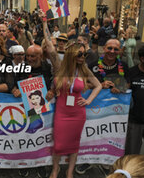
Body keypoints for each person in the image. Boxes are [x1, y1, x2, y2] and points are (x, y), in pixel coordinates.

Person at [42, 10, 102, 178]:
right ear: (72, 55)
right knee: (59, 143)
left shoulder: (84, 70)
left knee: (74, 144)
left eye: (84, 54)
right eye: (80, 54)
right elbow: (48, 45)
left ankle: (70, 173)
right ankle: (56, 169)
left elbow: (97, 85)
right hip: (62, 112)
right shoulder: (60, 68)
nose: (83, 57)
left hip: (78, 113)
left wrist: (89, 100)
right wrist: (45, 22)